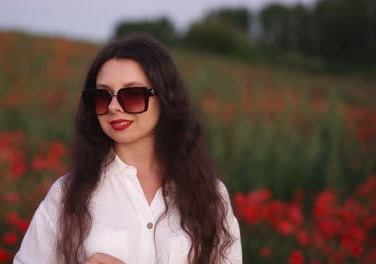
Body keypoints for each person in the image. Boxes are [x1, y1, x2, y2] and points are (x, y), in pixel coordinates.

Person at [14, 33, 242, 264]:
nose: (114, 107)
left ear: (164, 97)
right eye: (102, 96)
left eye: (132, 94)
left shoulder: (210, 196)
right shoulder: (66, 194)